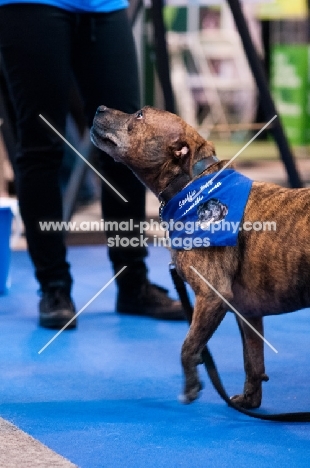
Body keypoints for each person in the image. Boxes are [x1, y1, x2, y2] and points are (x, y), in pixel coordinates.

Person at [0, 0, 184, 329]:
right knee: (42, 144)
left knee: (127, 145)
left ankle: (133, 285)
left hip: (103, 7)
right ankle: (54, 288)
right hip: (30, 6)